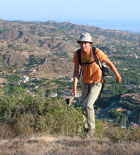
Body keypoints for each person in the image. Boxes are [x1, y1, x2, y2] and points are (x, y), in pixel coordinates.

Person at [72, 32, 122, 138]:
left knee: (88, 105)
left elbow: (109, 63)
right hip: (85, 82)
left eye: (85, 43)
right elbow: (76, 71)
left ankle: (92, 130)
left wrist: (117, 75)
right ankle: (86, 130)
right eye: (81, 43)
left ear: (90, 43)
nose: (83, 45)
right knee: (83, 107)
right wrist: (75, 87)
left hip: (97, 82)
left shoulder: (97, 52)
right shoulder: (77, 54)